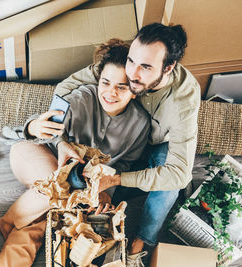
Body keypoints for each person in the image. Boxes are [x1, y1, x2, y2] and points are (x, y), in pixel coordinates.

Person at [55, 23, 201, 266]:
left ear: (168, 68)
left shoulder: (183, 99)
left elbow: (179, 174)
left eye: (145, 67)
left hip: (154, 148)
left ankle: (139, 243)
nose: (132, 72)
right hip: (120, 142)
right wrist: (59, 139)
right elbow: (64, 89)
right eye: (132, 60)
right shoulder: (127, 63)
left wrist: (118, 180)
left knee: (170, 183)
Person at [0, 39, 151, 267]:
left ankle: (15, 239)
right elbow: (43, 127)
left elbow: (124, 165)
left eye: (121, 87)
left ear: (135, 91)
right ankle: (10, 220)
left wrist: (108, 191)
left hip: (76, 187)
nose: (110, 92)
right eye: (106, 83)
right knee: (58, 185)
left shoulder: (140, 124)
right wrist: (43, 133)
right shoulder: (83, 97)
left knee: (42, 223)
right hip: (37, 156)